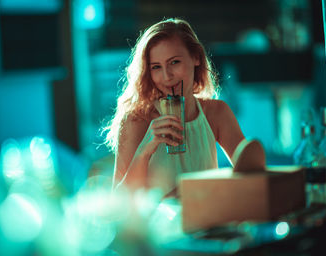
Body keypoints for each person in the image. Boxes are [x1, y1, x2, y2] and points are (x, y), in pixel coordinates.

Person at [103, 18, 245, 196]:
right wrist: (145, 150)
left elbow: (251, 174)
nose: (167, 76)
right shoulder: (136, 120)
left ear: (196, 57)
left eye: (174, 62)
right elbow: (119, 202)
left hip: (209, 220)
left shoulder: (217, 113)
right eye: (156, 67)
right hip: (159, 224)